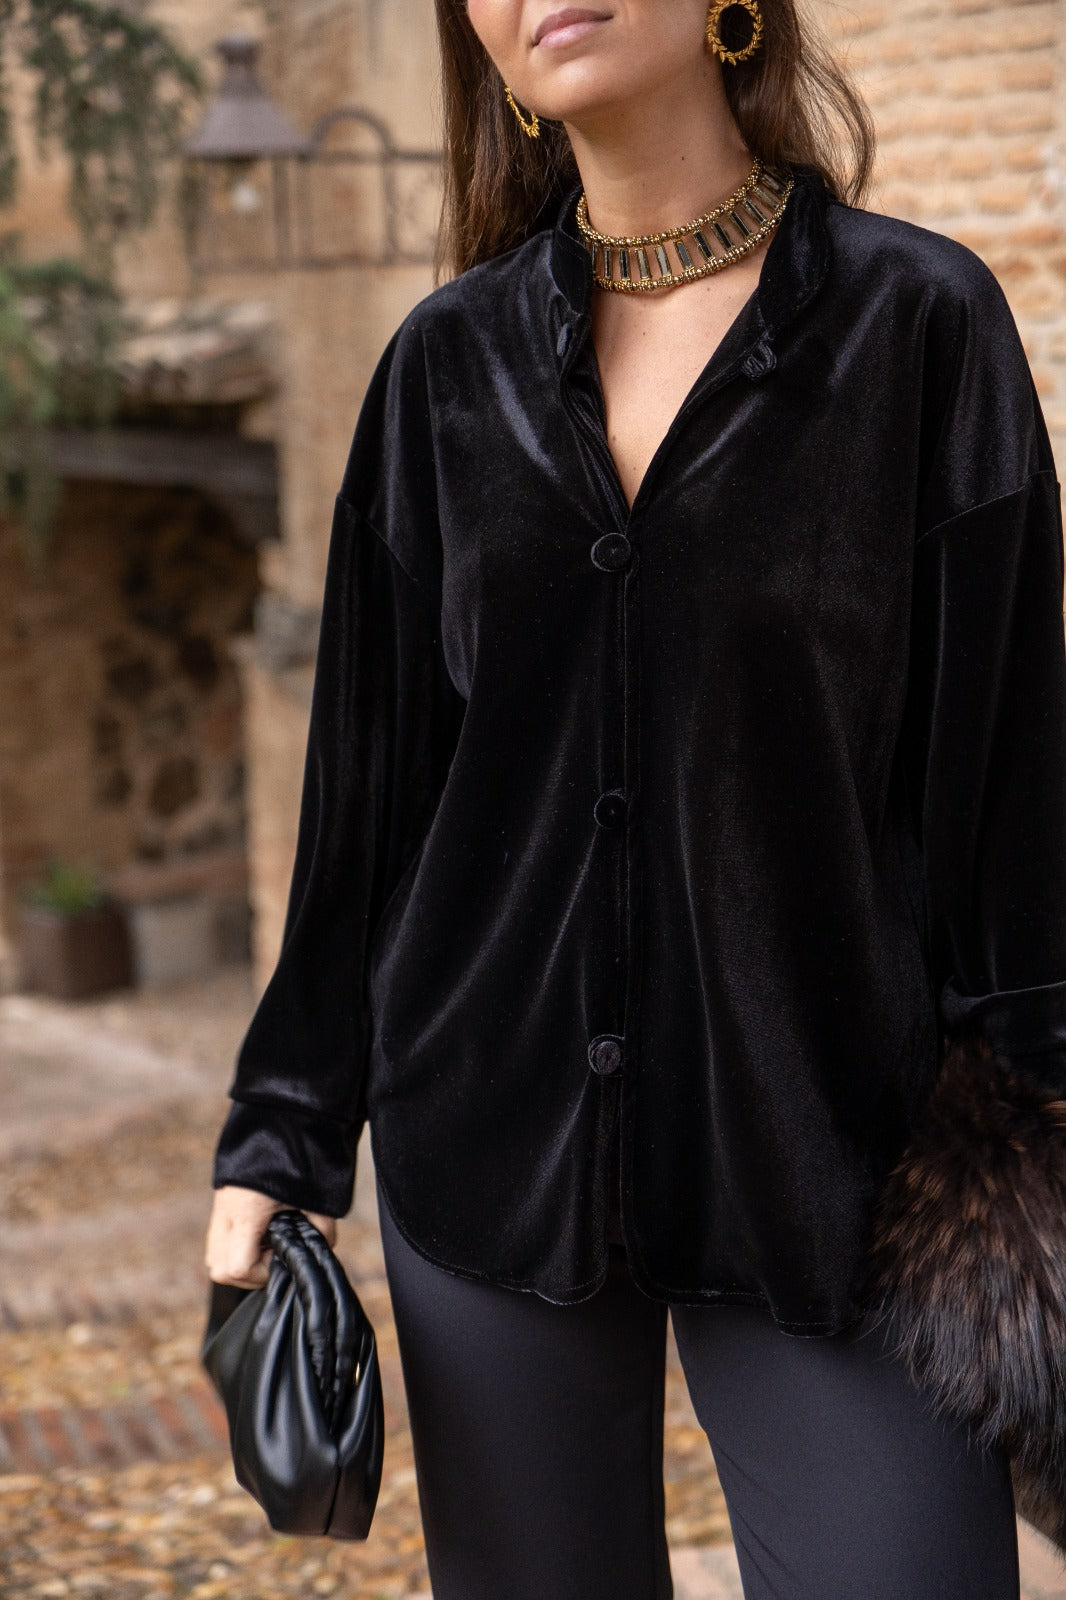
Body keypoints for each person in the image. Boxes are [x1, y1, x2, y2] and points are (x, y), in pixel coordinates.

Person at [205, 3, 1066, 1596]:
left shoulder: (915, 324)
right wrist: (281, 1135)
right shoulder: (442, 369)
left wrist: (1039, 1112)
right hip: (491, 1137)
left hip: (836, 1158)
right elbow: (368, 802)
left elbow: (1007, 794)